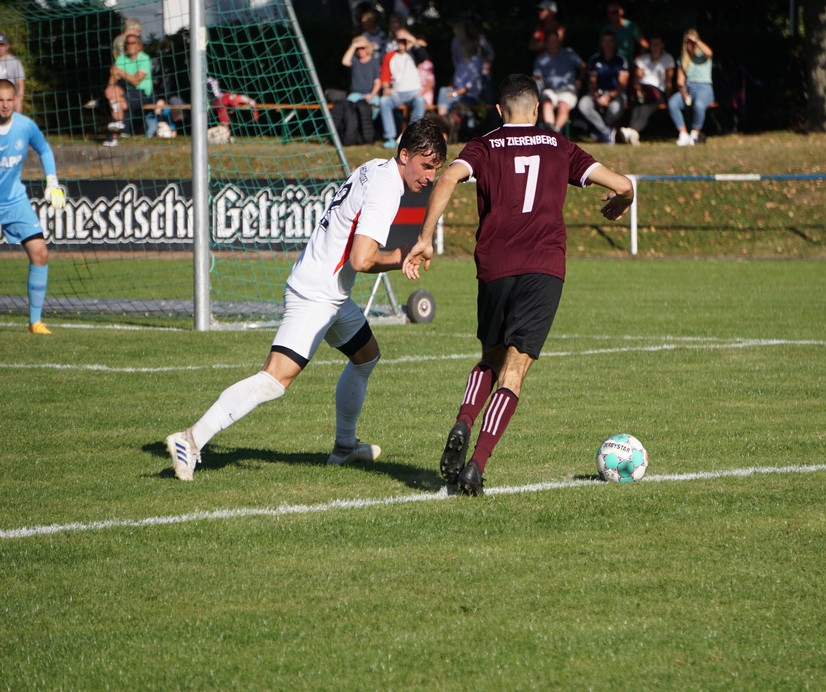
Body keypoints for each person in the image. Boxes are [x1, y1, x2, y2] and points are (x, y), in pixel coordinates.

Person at [165, 118, 447, 481]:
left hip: (329, 292)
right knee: (274, 379)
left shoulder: (374, 167)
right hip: (316, 293)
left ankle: (345, 447)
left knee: (366, 356)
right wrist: (400, 256)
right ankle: (192, 439)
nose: (429, 176)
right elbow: (361, 260)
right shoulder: (387, 188)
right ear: (404, 154)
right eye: (426, 166)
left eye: (436, 169)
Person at [402, 74, 634, 496]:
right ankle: (477, 465)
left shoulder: (485, 145)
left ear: (498, 111)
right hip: (543, 267)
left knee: (490, 356)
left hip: (494, 266)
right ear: (537, 108)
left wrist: (424, 238)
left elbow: (448, 178)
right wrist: (623, 201)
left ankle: (463, 422)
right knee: (515, 368)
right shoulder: (559, 146)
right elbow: (623, 184)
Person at [0, 79, 66, 334]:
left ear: (15, 100)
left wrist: (52, 182)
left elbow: (44, 149)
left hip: (16, 202)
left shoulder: (25, 126)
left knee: (40, 253)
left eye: (9, 100)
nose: (5, 106)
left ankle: (35, 322)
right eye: (0, 101)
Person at [577, 30, 630, 144]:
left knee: (615, 108)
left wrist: (609, 96)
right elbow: (592, 81)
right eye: (605, 41)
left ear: (614, 43)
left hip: (616, 94)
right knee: (583, 105)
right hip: (597, 92)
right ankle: (606, 131)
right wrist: (597, 96)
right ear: (601, 43)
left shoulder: (620, 60)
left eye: (610, 41)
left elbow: (622, 83)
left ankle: (599, 129)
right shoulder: (595, 59)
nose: (607, 44)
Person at [102, 32, 154, 147]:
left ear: (139, 45)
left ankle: (113, 135)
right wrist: (110, 87)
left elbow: (136, 81)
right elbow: (114, 75)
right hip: (127, 91)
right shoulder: (122, 58)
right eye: (127, 43)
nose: (129, 45)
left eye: (132, 43)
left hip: (142, 93)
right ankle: (119, 124)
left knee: (119, 101)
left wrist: (120, 72)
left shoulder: (144, 59)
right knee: (114, 93)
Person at [379, 31, 428, 148]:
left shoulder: (414, 54)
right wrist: (385, 87)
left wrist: (409, 37)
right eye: (399, 41)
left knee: (420, 101)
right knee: (384, 102)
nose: (401, 43)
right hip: (396, 93)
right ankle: (390, 137)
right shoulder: (389, 56)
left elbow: (424, 56)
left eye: (403, 41)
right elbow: (385, 76)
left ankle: (412, 136)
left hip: (413, 93)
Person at [532, 28, 585, 133]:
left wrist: (580, 79)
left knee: (563, 104)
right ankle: (552, 132)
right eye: (551, 41)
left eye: (556, 41)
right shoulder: (540, 59)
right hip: (549, 89)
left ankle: (555, 131)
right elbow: (537, 77)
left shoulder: (568, 54)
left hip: (568, 88)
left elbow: (583, 66)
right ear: (546, 43)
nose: (554, 44)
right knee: (547, 102)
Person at [667, 28, 714, 146]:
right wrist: (683, 92)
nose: (690, 45)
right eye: (687, 42)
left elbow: (710, 53)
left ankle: (695, 133)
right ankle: (683, 134)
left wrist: (696, 41)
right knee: (673, 103)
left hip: (704, 87)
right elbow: (680, 80)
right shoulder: (682, 59)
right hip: (689, 88)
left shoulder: (703, 55)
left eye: (692, 42)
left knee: (699, 105)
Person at [625, 35, 675, 143]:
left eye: (657, 44)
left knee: (645, 107)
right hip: (643, 89)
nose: (654, 47)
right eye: (652, 45)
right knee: (637, 103)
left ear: (662, 45)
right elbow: (637, 78)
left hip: (657, 91)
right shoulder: (643, 59)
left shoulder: (667, 59)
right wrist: (638, 89)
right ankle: (632, 133)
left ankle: (631, 130)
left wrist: (669, 96)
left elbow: (668, 80)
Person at [342, 35, 382, 121]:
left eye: (362, 48)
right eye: (358, 49)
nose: (360, 51)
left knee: (376, 106)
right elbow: (345, 62)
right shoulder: (354, 60)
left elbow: (377, 82)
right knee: (349, 105)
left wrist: (371, 95)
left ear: (367, 48)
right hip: (356, 94)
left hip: (371, 94)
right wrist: (354, 46)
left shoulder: (374, 61)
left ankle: (369, 126)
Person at [0, 34, 25, 113]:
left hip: (10, 103)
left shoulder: (15, 62)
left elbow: (20, 84)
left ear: (7, 46)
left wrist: (19, 102)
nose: (0, 48)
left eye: (2, 45)